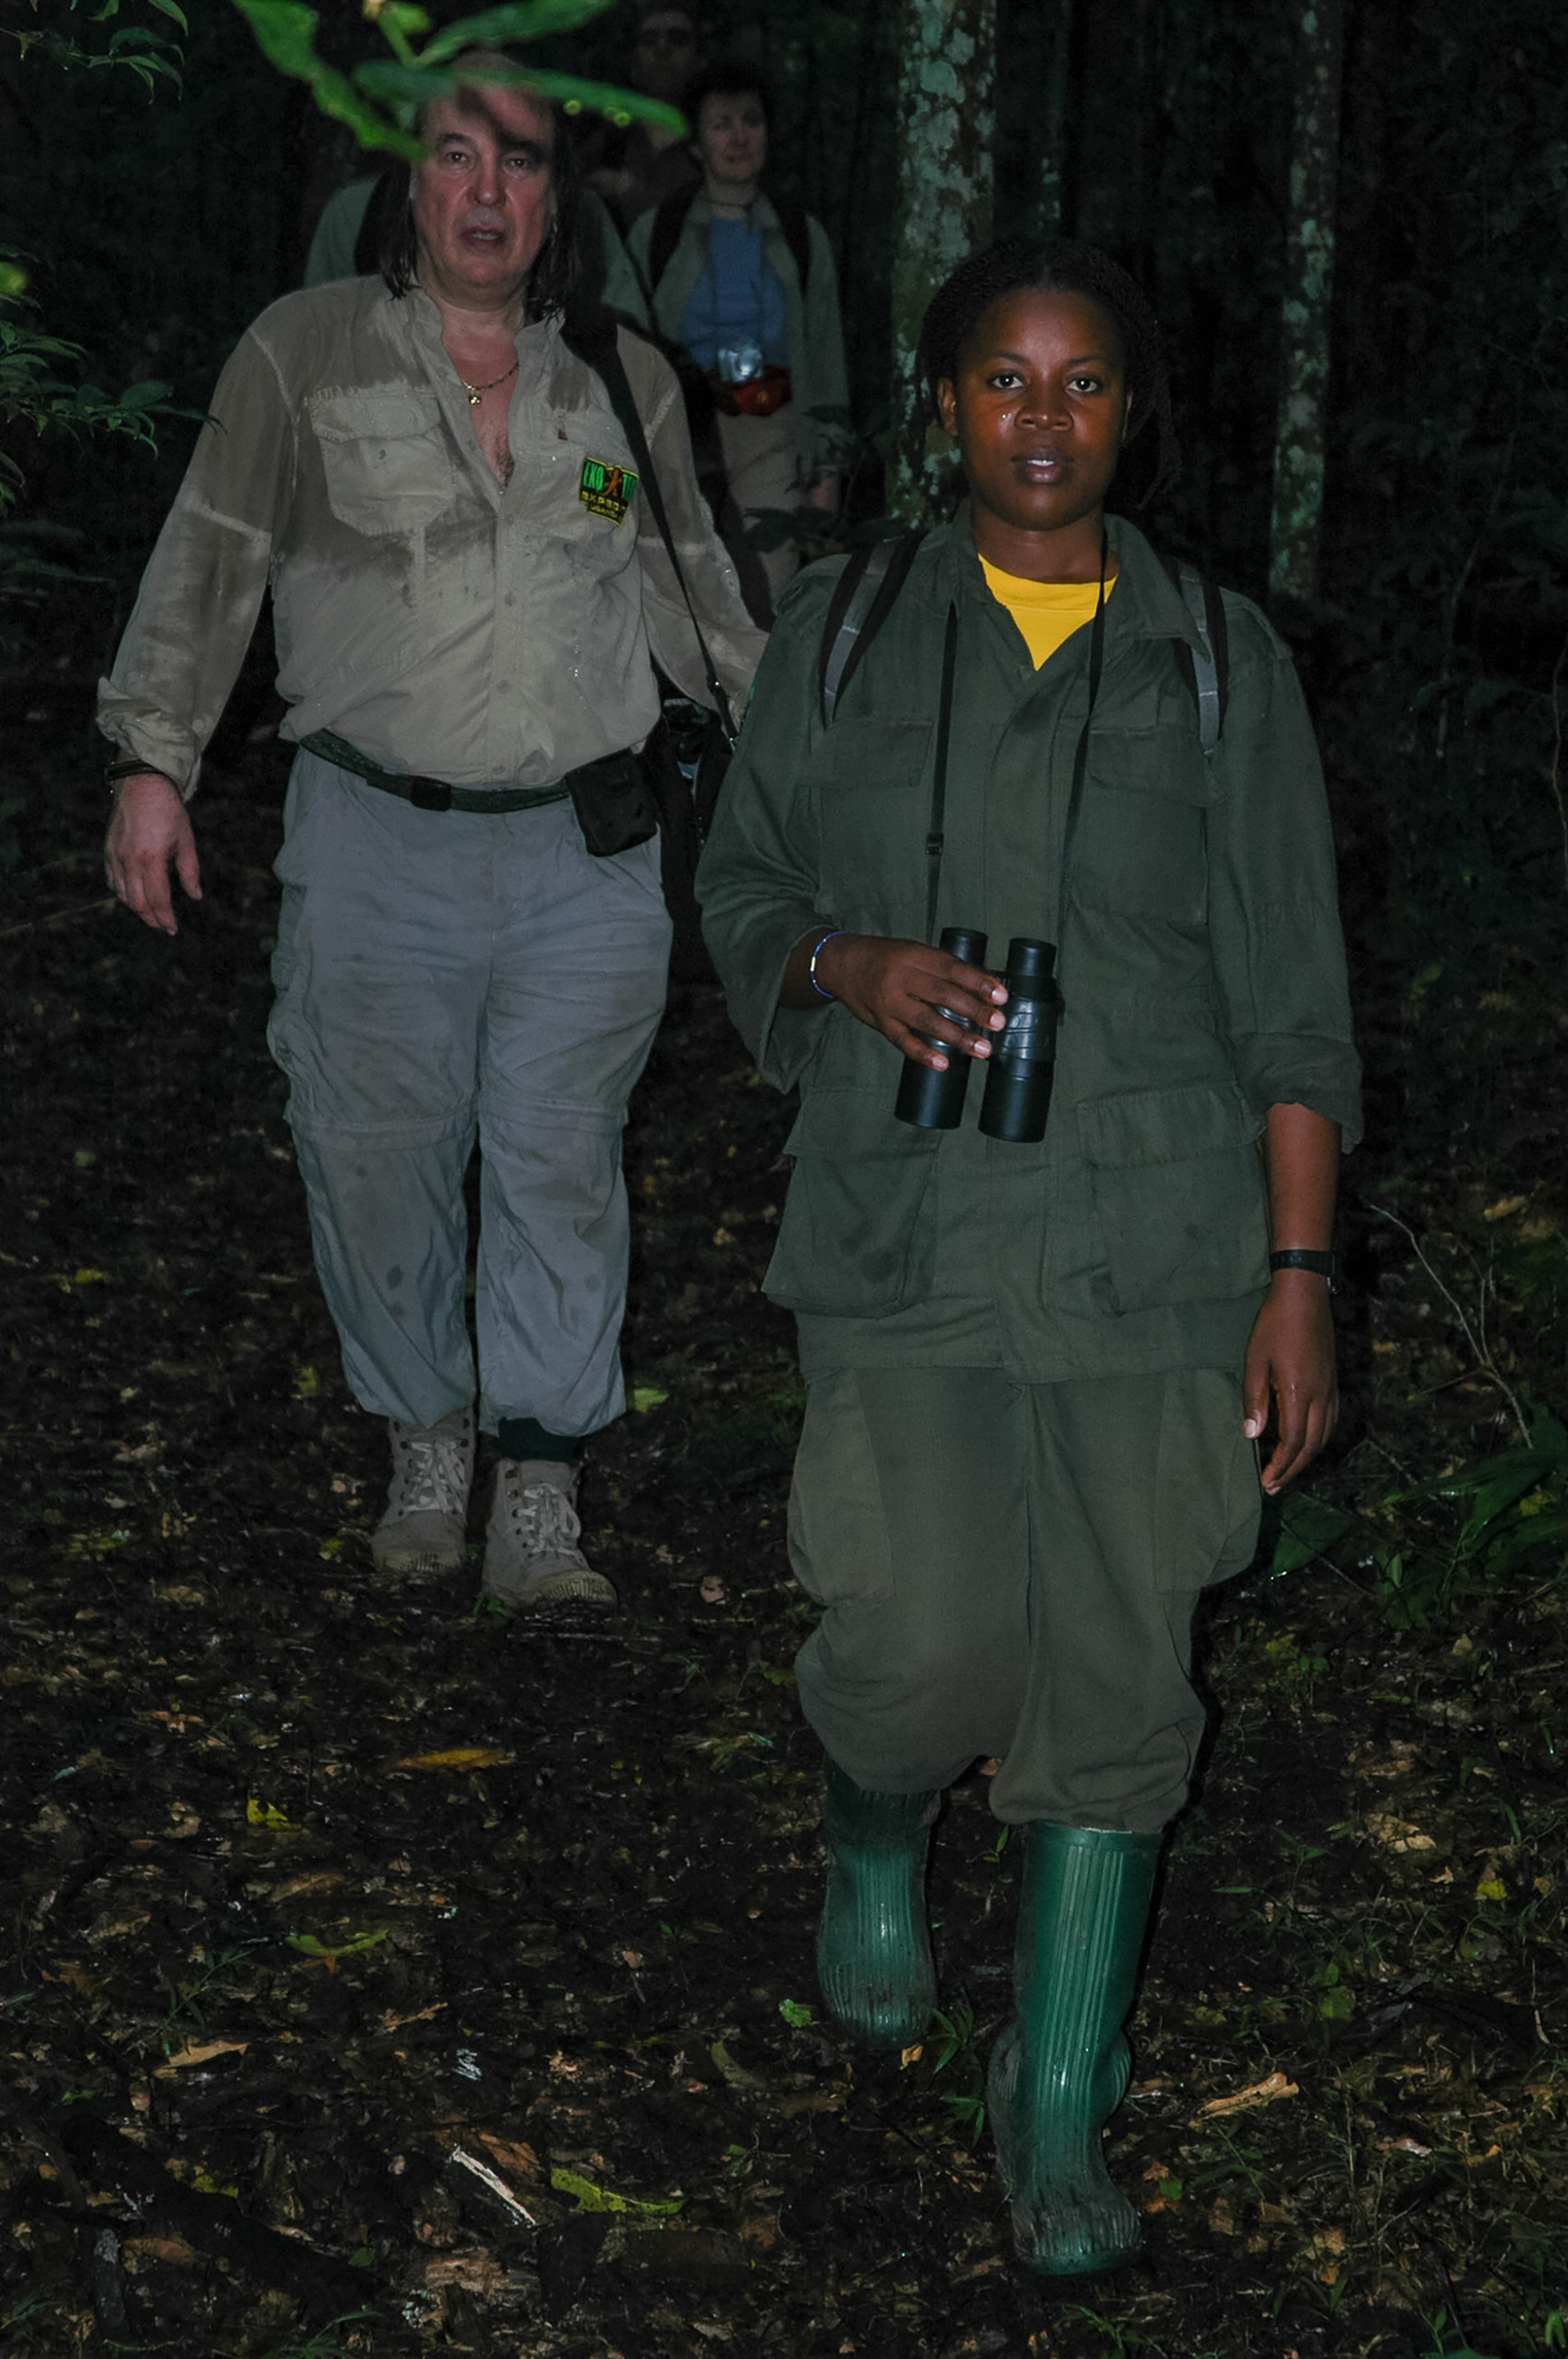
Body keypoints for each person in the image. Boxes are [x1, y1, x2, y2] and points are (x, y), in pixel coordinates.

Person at [697, 239, 1360, 2275]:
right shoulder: (848, 631)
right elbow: (738, 890)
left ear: (1130, 413)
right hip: (907, 1240)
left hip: (1157, 1261)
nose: (1045, 419)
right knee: (910, 1646)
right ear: (948, 404)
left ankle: (1054, 2093)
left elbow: (1300, 1012)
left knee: (1121, 1676)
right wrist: (842, 960)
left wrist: (1301, 1279)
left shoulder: (1216, 664)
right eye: (1007, 380)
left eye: (1083, 384)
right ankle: (874, 1830)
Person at [100, 55, 763, 1612]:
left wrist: (822, 774)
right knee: (373, 1153)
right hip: (372, 843)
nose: (487, 193)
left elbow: (700, 608)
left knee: (558, 1162)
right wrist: (152, 759)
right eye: (456, 158)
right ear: (406, 182)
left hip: (579, 855)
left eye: (519, 163)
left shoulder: (622, 380)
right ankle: (425, 1432)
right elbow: (212, 556)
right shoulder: (306, 351)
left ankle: (538, 1483)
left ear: (561, 195)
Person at [623, 59, 848, 620]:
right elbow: (620, 345)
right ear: (696, 144)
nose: (738, 137)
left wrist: (827, 468)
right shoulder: (657, 234)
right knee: (680, 590)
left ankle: (753, 704)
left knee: (765, 590)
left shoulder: (801, 236)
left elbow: (825, 353)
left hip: (772, 432)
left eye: (751, 121)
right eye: (721, 124)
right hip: (680, 432)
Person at [578, 0, 703, 234]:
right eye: (649, 40)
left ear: (697, 59)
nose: (662, 48)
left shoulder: (717, 143)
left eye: (677, 39)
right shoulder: (606, 146)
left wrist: (629, 193)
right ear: (633, 63)